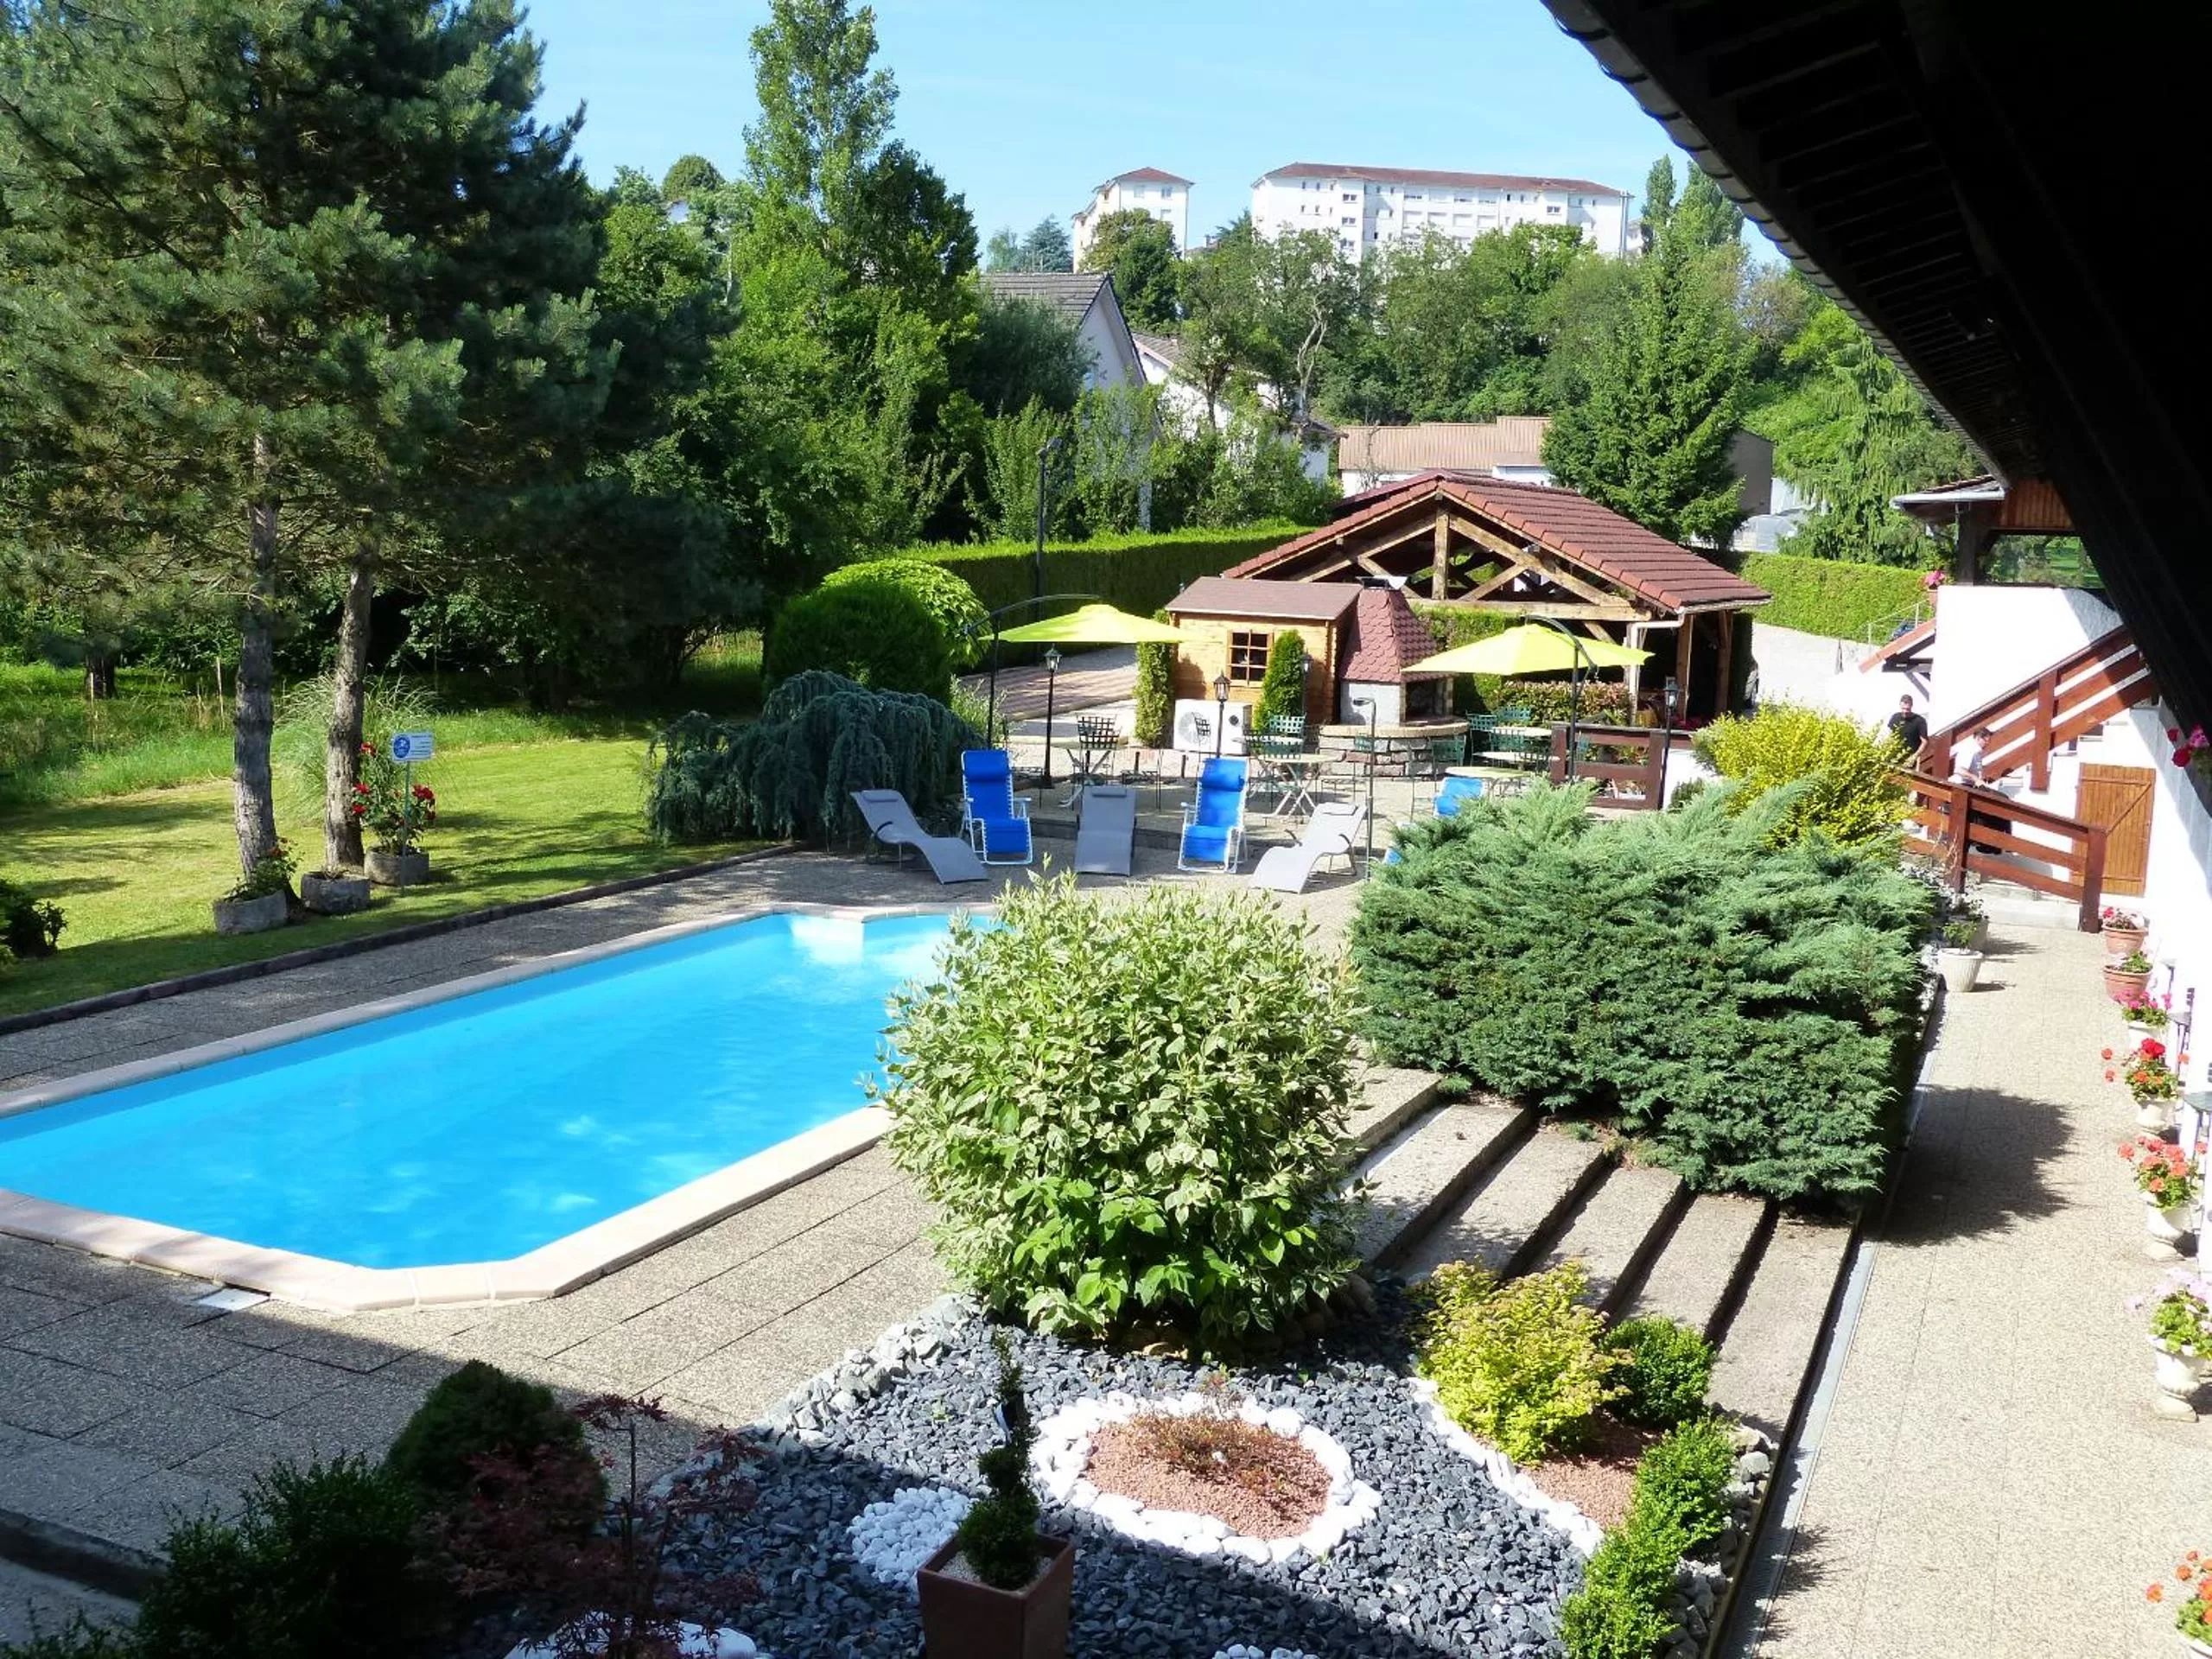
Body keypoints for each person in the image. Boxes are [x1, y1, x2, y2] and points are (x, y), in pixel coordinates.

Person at [1886, 695, 1929, 762]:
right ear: (1900, 705)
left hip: (1910, 759)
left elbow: (1925, 742)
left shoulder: (1919, 721)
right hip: (1894, 756)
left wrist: (1915, 756)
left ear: (1911, 706)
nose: (1905, 711)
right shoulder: (1895, 717)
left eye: (1907, 709)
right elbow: (1890, 735)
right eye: (1903, 708)